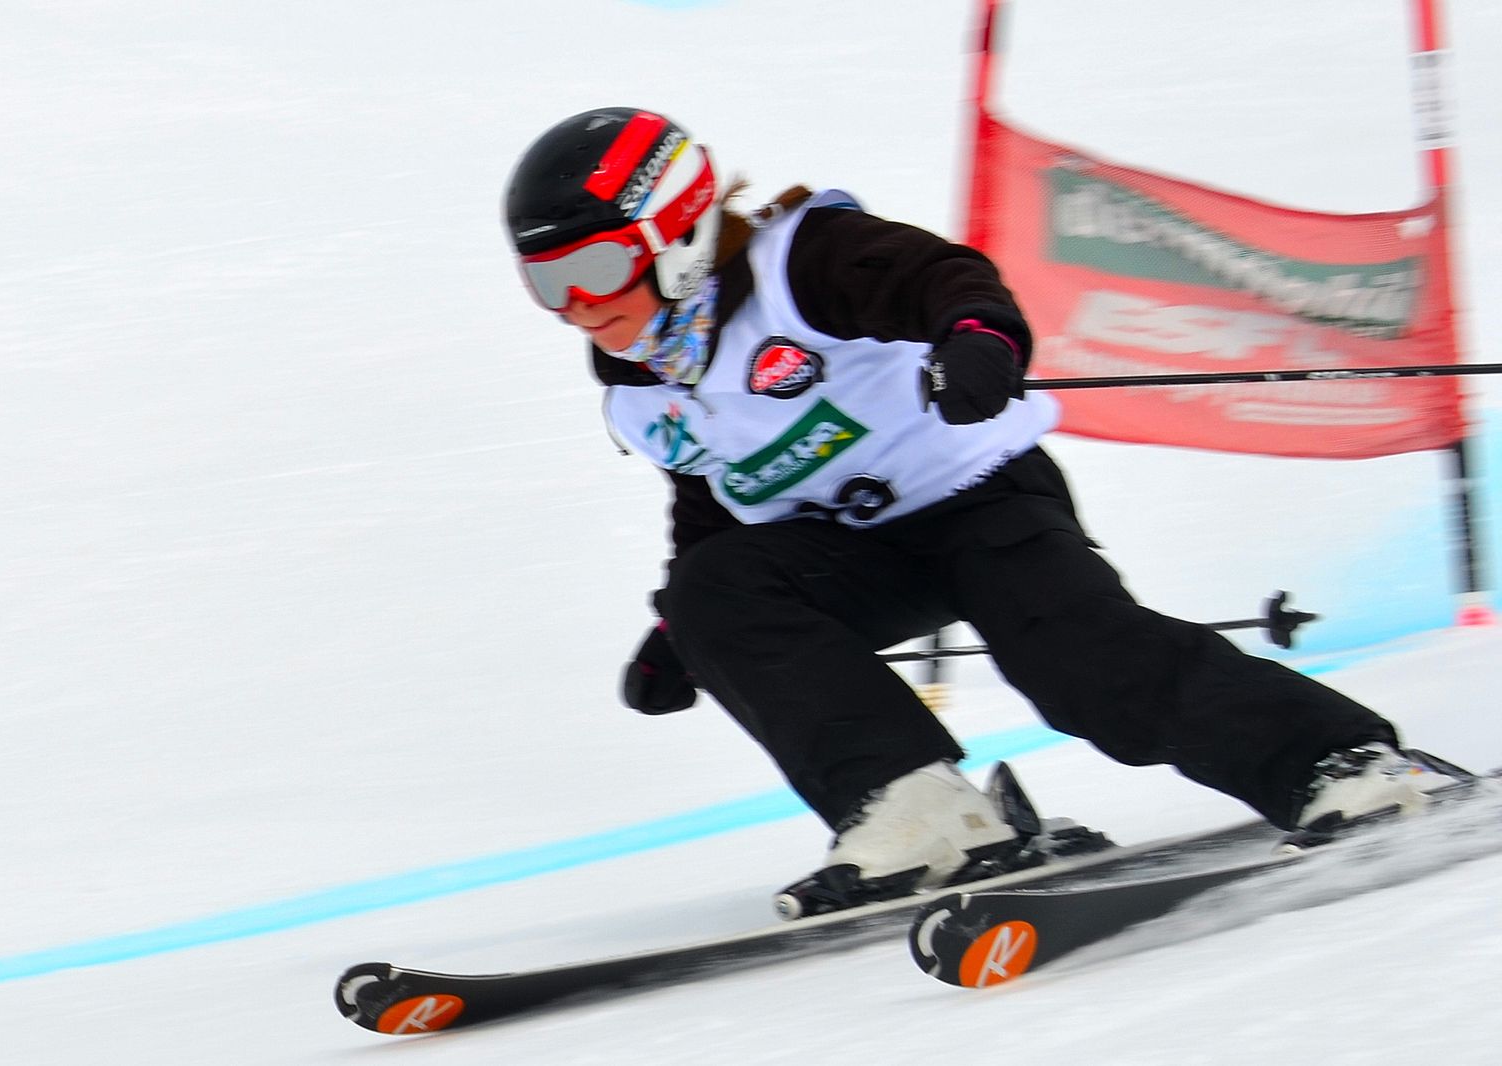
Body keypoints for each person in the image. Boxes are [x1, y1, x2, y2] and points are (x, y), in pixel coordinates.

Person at [501, 106, 1463, 913]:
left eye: (593, 270)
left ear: (673, 237)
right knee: (714, 587)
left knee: (1081, 669)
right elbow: (712, 503)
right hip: (855, 552)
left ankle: (1342, 765)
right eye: (545, 283)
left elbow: (942, 280)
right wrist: (684, 631)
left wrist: (977, 341)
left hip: (980, 502)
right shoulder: (642, 383)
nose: (574, 306)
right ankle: (920, 813)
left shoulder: (805, 263)